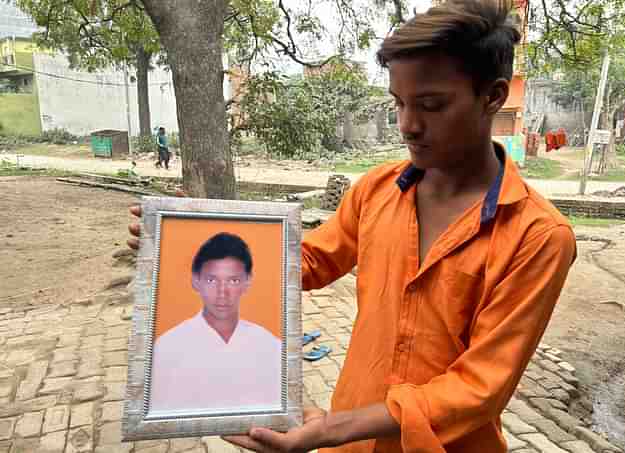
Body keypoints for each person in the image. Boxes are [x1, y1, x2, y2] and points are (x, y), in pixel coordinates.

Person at [129, 0, 576, 451]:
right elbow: (306, 261)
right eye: (399, 103)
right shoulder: (378, 189)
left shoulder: (537, 237)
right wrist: (192, 235)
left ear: (493, 97)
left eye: (431, 105)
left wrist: (329, 429)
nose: (408, 125)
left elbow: (479, 389)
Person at [149, 232, 281, 414]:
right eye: (212, 280)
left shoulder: (270, 345)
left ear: (248, 281)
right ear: (196, 280)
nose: (222, 292)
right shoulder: (167, 347)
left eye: (233, 280)